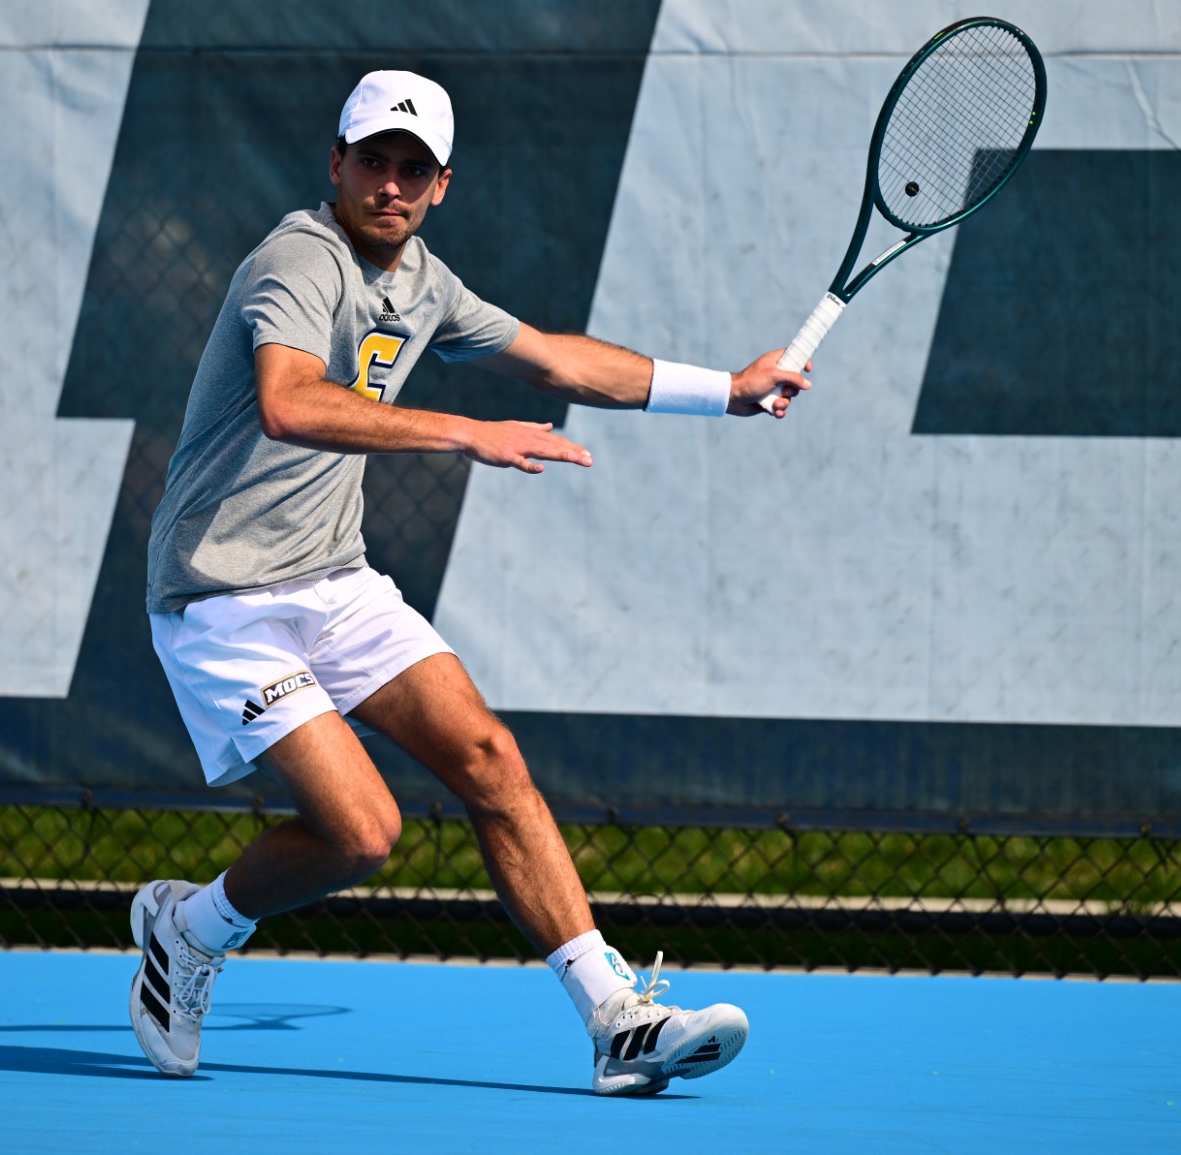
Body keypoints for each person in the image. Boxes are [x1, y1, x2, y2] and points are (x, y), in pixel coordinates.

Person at [132, 70, 809, 1096]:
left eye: (413, 169)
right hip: (221, 596)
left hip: (335, 578)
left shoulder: (426, 284)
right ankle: (188, 928)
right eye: (373, 162)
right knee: (361, 833)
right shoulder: (297, 257)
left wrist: (726, 391)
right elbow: (287, 401)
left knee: (491, 760)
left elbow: (558, 364)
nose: (390, 186)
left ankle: (614, 1020)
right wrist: (459, 430)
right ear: (337, 163)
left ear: (440, 184)